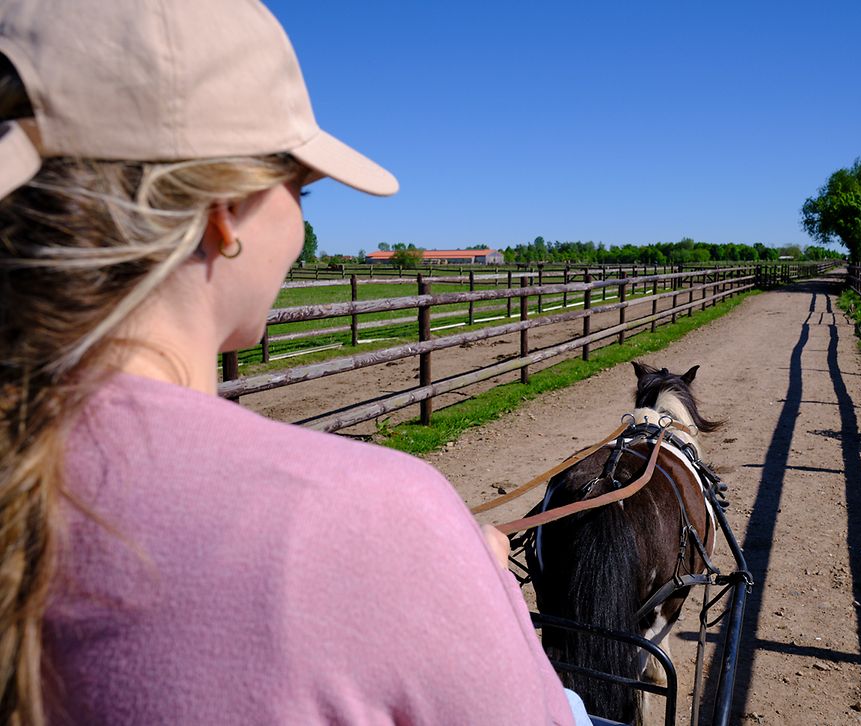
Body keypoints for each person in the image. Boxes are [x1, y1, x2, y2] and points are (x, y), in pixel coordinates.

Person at [0, 1, 585, 723]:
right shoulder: (374, 517)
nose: (301, 223)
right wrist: (478, 589)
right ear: (222, 210)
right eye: (299, 191)